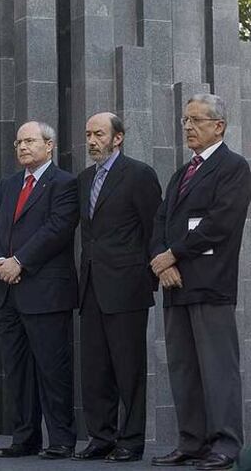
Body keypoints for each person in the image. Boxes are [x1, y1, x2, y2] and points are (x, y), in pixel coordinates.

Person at [150, 94, 251, 470]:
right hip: (176, 286)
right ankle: (191, 442)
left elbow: (220, 223)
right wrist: (161, 263)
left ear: (218, 126)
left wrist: (173, 254)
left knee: (218, 369)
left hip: (210, 285)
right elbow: (160, 221)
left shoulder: (233, 168)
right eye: (184, 121)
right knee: (184, 368)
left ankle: (225, 444)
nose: (188, 127)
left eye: (196, 120)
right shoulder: (181, 172)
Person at [0, 121, 79, 459]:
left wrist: (19, 261)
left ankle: (62, 439)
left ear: (49, 145)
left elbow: (58, 229)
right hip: (7, 291)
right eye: (18, 142)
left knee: (53, 369)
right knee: (17, 370)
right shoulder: (8, 185)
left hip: (45, 292)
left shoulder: (64, 184)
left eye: (30, 141)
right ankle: (25, 437)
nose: (22, 147)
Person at [75, 112, 162, 463]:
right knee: (95, 369)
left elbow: (154, 228)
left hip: (127, 287)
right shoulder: (84, 179)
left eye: (99, 134)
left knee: (129, 369)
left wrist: (148, 278)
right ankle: (101, 437)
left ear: (118, 138)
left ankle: (131, 440)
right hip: (91, 287)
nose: (92, 140)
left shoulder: (139, 174)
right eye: (88, 134)